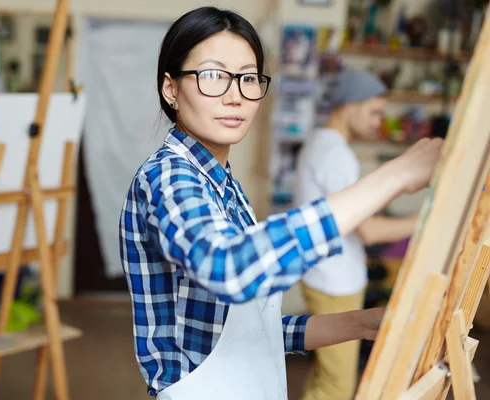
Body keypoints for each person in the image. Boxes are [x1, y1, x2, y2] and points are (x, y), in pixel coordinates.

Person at [119, 7, 442, 400]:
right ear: (171, 89)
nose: (235, 96)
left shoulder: (225, 186)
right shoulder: (168, 177)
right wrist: (395, 176)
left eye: (248, 78)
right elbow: (229, 267)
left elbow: (253, 331)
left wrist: (361, 323)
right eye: (214, 76)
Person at [295, 68, 420, 400]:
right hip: (333, 282)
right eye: (374, 111)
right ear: (349, 107)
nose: (379, 121)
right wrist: (423, 221)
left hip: (325, 276)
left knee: (327, 377)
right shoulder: (336, 154)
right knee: (337, 386)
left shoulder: (321, 144)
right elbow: (367, 230)